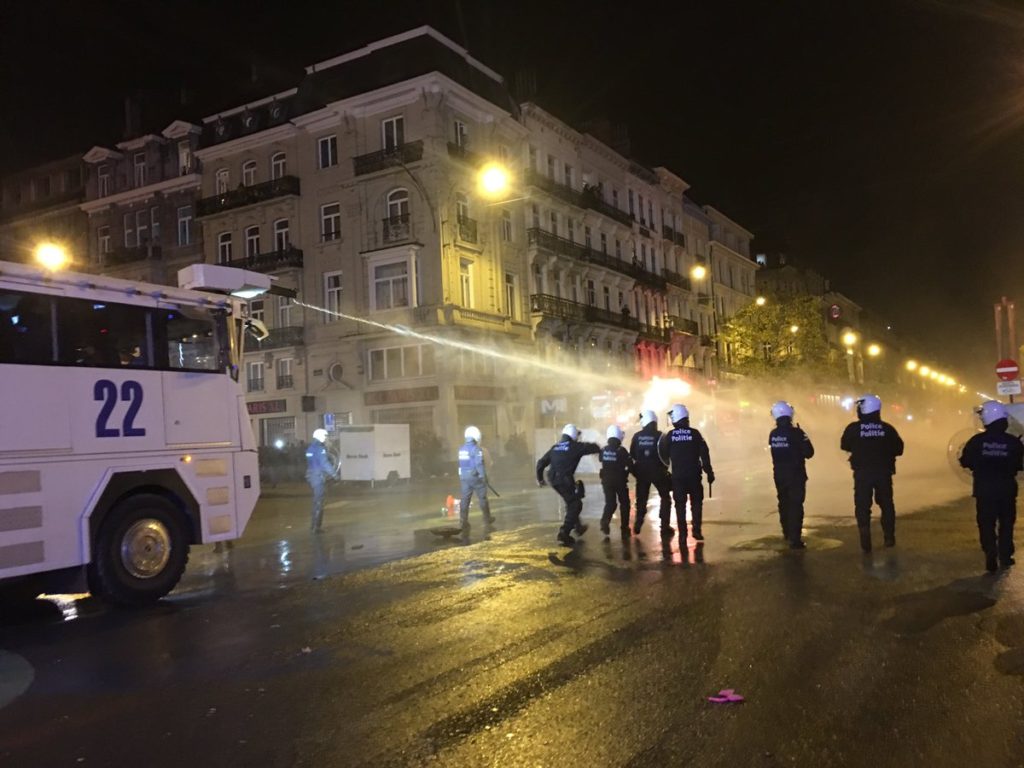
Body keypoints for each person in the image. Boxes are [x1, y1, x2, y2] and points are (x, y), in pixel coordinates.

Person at [959, 401, 1023, 572]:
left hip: (984, 490)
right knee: (1006, 523)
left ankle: (990, 552)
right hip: (1007, 489)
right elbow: (1020, 465)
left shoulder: (976, 441)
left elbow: (965, 461)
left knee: (986, 523)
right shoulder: (1013, 442)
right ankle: (1005, 555)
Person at [840, 394, 904, 552]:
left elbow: (844, 445)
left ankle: (865, 539)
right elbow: (899, 449)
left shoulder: (853, 428)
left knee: (862, 506)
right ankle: (889, 537)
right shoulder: (887, 429)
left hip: (862, 474)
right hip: (883, 473)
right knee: (886, 504)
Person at [537, 424, 601, 546]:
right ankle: (564, 532)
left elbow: (541, 463)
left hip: (552, 478)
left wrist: (540, 479)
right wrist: (600, 450)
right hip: (564, 479)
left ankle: (578, 527)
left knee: (571, 501)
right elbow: (592, 447)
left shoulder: (555, 447)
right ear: (573, 435)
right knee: (576, 504)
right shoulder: (575, 447)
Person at [657, 404, 714, 540]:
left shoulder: (669, 435)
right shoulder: (695, 434)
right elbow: (704, 454)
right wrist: (709, 472)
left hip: (678, 477)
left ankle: (683, 534)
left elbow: (662, 454)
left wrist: (667, 468)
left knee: (680, 505)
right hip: (694, 475)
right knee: (696, 503)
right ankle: (697, 531)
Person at [768, 401, 815, 549]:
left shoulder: (773, 434)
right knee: (795, 505)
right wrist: (803, 438)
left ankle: (787, 533)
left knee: (783, 503)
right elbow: (809, 453)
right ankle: (795, 539)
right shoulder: (797, 433)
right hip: (796, 475)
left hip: (779, 475)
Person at [630, 409, 672, 535]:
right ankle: (665, 526)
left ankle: (638, 522)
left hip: (641, 472)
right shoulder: (661, 436)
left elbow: (632, 454)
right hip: (658, 472)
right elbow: (666, 454)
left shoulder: (637, 436)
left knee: (641, 499)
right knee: (665, 497)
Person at [599, 424, 635, 536]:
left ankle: (604, 521)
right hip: (620, 481)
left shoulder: (604, 450)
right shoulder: (621, 450)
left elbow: (601, 459)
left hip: (606, 481)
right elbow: (630, 465)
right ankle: (624, 528)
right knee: (625, 503)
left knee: (610, 503)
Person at [458, 425, 494, 532]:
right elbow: (479, 464)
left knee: (465, 500)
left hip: (464, 477)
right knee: (482, 498)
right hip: (475, 477)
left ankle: (463, 521)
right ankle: (487, 518)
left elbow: (461, 464)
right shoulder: (476, 449)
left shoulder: (462, 449)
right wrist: (484, 477)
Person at [305, 428, 338, 533]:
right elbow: (324, 463)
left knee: (316, 501)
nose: (325, 438)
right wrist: (334, 474)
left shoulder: (310, 448)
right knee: (319, 502)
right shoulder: (320, 448)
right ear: (319, 436)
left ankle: (314, 525)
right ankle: (316, 527)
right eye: (324, 436)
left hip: (312, 476)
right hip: (318, 477)